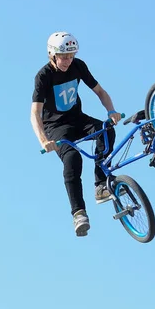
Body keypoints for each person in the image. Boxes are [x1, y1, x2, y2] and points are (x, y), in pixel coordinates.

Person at [31, 31, 122, 237]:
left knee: (107, 131)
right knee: (73, 158)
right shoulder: (43, 76)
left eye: (71, 56)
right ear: (52, 55)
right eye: (63, 56)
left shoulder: (78, 65)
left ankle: (100, 185)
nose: (68, 61)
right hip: (56, 127)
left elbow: (100, 91)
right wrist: (44, 140)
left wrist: (111, 111)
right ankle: (79, 213)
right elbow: (34, 113)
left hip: (77, 118)